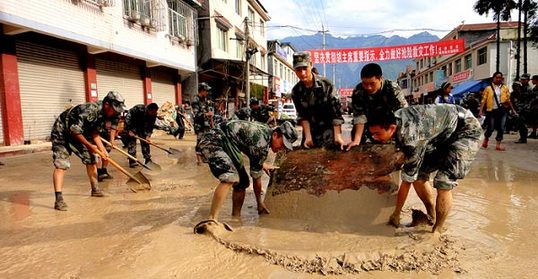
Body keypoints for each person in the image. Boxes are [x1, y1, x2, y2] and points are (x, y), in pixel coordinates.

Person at [367, 104, 482, 233]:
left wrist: (396, 214)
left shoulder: (411, 137)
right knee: (419, 175)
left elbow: (407, 181)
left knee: (444, 181)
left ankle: (437, 229)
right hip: (442, 133)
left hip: (466, 131)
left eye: (377, 134)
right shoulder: (395, 118)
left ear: (392, 128)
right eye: (372, 134)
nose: (374, 138)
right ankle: (431, 215)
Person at [199, 120, 298, 221]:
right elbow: (256, 178)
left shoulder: (264, 132)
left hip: (227, 142)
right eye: (282, 144)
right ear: (275, 135)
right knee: (230, 177)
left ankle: (236, 218)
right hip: (213, 142)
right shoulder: (261, 143)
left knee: (242, 182)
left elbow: (247, 143)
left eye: (285, 147)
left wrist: (261, 163)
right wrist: (259, 203)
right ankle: (212, 220)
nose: (282, 148)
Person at [50, 91, 126, 211]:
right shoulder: (90, 110)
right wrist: (90, 146)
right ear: (107, 104)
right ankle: (58, 199)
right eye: (114, 108)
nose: (116, 112)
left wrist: (102, 151)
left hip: (80, 133)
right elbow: (75, 131)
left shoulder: (106, 114)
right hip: (62, 132)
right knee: (61, 164)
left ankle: (95, 189)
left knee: (91, 159)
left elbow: (95, 133)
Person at [347, 62, 408, 150]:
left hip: (388, 127)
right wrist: (356, 140)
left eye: (372, 83)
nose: (368, 87)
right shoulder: (358, 91)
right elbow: (359, 117)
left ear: (380, 79)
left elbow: (403, 113)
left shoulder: (392, 88)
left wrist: (401, 138)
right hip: (369, 126)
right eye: (365, 83)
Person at [291, 51, 345, 149]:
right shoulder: (296, 91)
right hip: (310, 135)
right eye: (298, 69)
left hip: (329, 133)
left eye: (305, 68)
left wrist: (337, 136)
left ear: (311, 65)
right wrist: (308, 136)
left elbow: (336, 113)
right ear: (294, 70)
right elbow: (302, 116)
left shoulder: (326, 85)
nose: (302, 73)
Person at [479, 71, 517, 151]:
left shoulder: (505, 88)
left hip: (502, 110)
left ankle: (498, 145)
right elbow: (483, 100)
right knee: (491, 127)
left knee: (501, 127)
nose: (498, 79)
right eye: (497, 77)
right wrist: (481, 110)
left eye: (500, 77)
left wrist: (513, 110)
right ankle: (486, 138)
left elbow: (508, 100)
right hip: (491, 111)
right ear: (493, 78)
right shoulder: (488, 88)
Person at [120, 103, 159, 167]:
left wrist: (148, 135)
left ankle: (147, 159)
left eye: (154, 112)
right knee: (132, 142)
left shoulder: (154, 114)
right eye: (152, 112)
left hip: (143, 127)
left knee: (145, 142)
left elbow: (151, 125)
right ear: (148, 109)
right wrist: (128, 130)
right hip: (133, 125)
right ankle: (132, 160)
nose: (153, 113)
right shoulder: (138, 109)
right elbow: (128, 117)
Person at [192, 82, 215, 164]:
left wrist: (212, 122)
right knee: (200, 141)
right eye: (206, 91)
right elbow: (196, 114)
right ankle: (199, 160)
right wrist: (206, 114)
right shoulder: (196, 99)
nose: (207, 93)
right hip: (199, 125)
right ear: (201, 91)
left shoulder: (205, 99)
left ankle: (205, 157)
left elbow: (208, 112)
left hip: (206, 124)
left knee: (208, 140)